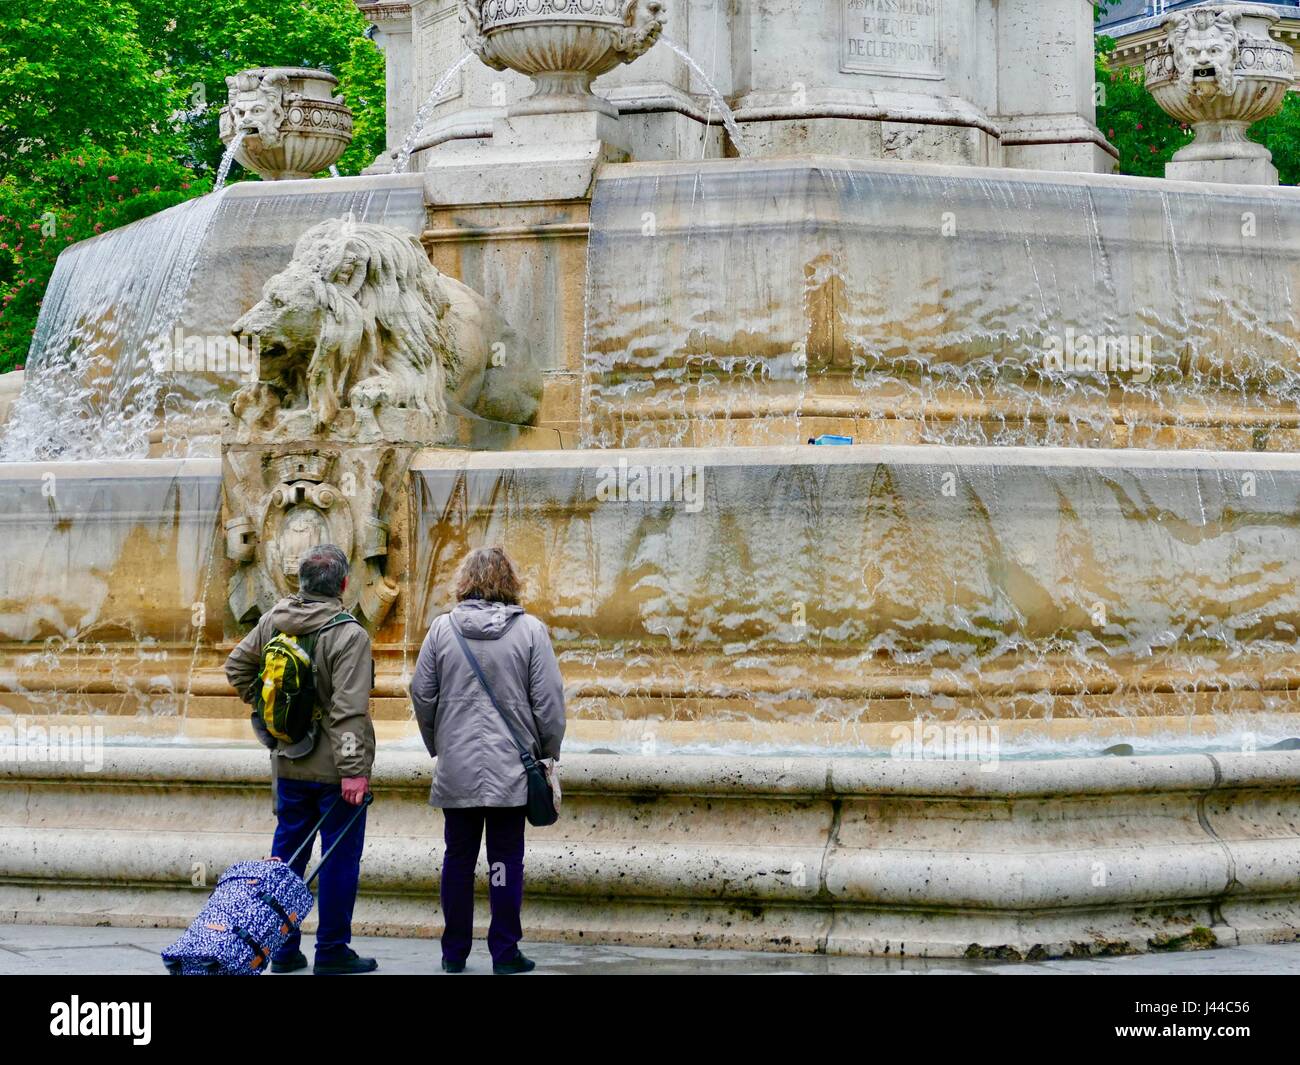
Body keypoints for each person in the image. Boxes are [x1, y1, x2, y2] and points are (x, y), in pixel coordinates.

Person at [410, 546, 566, 975]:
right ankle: (504, 951)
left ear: (465, 582)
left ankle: (454, 952)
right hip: (512, 770)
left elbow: (421, 695)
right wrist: (548, 754)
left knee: (458, 859)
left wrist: (440, 746)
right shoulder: (531, 631)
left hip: (458, 768)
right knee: (503, 860)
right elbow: (549, 703)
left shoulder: (441, 631)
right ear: (509, 582)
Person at [224, 543, 378, 976]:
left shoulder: (274, 620)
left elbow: (236, 667)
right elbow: (349, 711)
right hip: (334, 774)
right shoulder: (349, 635)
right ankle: (331, 951)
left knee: (287, 858)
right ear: (344, 585)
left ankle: (283, 950)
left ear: (301, 583)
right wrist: (353, 772)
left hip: (289, 761)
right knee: (339, 860)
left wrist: (275, 714)